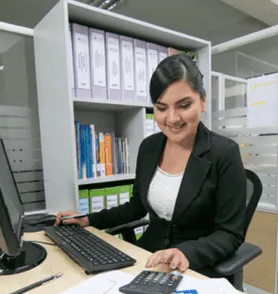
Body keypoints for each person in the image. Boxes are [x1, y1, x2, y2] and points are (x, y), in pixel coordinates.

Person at [56, 54, 246, 277]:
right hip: (147, 256)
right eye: (161, 107)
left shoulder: (224, 153)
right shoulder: (149, 147)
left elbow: (230, 234)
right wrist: (88, 219)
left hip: (197, 265)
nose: (172, 118)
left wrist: (185, 252)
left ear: (202, 101)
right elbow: (136, 207)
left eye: (184, 105)